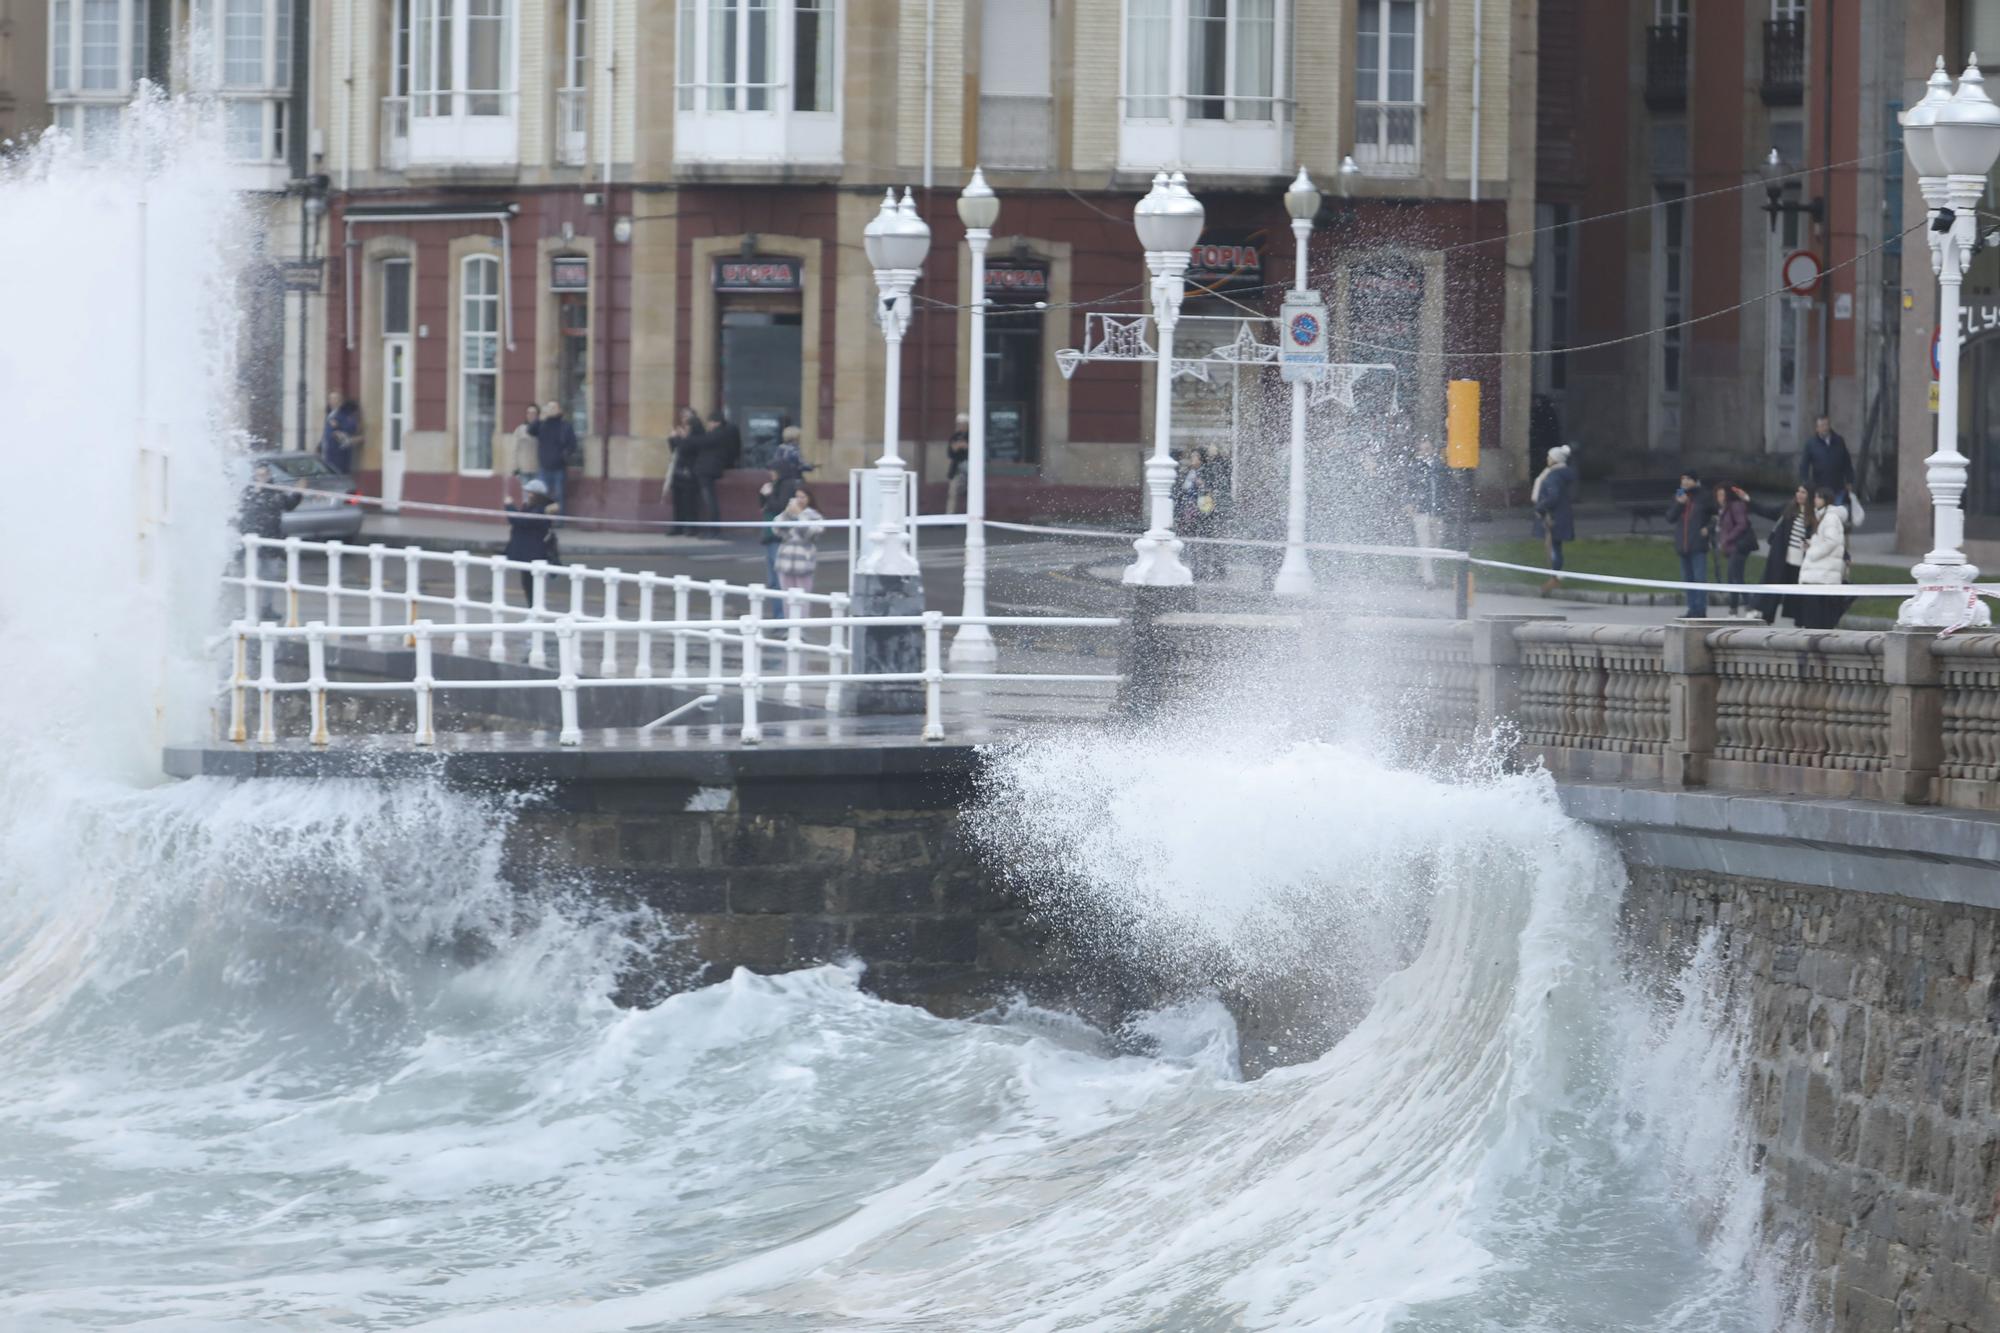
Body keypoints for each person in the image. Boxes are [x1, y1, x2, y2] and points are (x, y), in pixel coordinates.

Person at [237, 461, 304, 620]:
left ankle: (266, 608)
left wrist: (298, 492)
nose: (262, 478)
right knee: (252, 576)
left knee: (270, 576)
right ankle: (248, 608)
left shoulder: (275, 492)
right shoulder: (249, 491)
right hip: (252, 543)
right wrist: (256, 492)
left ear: (269, 475)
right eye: (259, 475)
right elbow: (244, 510)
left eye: (264, 475)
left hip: (271, 540)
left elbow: (289, 505)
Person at [1743, 483, 1812, 625]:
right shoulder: (1788, 508)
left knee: (1797, 595)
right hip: (1782, 558)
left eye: (1803, 492)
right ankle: (1766, 617)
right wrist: (1748, 500)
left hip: (1801, 563)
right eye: (1798, 491)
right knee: (1773, 586)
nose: (1799, 494)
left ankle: (1800, 623)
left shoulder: (1814, 515)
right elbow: (1766, 511)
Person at [757, 445, 808, 616]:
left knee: (779, 582)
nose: (771, 473)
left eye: (773, 470)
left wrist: (768, 495)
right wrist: (764, 495)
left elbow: (779, 507)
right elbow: (764, 506)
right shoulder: (777, 485)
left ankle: (781, 618)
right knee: (773, 582)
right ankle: (778, 617)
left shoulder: (786, 486)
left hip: (778, 538)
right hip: (770, 536)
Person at [1795, 487, 1852, 629]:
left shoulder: (1830, 518)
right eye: (1815, 497)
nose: (1815, 500)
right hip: (1819, 574)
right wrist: (1810, 543)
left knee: (1816, 618)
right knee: (1815, 617)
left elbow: (1831, 541)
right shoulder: (1822, 516)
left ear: (1826, 500)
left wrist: (1813, 553)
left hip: (1822, 574)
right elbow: (1825, 540)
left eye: (1818, 497)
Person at [503, 477, 561, 604]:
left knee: (533, 585)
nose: (527, 494)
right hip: (527, 552)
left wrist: (509, 507)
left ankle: (535, 613)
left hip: (533, 553)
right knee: (527, 584)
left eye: (530, 492)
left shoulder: (540, 509)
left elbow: (521, 521)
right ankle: (532, 613)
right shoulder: (531, 506)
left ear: (537, 494)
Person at [1666, 470, 1716, 617]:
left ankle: (1700, 610)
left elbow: (1717, 515)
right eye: (1683, 479)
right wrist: (1679, 504)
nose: (1685, 482)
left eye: (1688, 479)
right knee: (1687, 579)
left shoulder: (1704, 496)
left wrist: (1709, 528)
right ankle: (1691, 609)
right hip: (1683, 544)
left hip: (1698, 544)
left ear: (1695, 480)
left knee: (1699, 578)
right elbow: (1670, 517)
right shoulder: (1679, 496)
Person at [1530, 444, 1576, 591]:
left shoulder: (1553, 476)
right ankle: (1555, 576)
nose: (1547, 458)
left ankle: (1554, 578)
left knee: (1553, 548)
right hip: (1561, 515)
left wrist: (1540, 508)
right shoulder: (1561, 474)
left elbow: (1552, 496)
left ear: (1555, 459)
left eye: (1549, 456)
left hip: (1553, 517)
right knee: (1556, 547)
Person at [1713, 479, 1759, 615]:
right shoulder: (1724, 509)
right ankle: (1734, 609)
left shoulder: (1735, 505)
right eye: (1718, 495)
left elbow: (1742, 524)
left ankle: (1750, 607)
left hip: (1739, 546)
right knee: (1732, 577)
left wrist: (1727, 538)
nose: (1719, 498)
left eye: (1722, 495)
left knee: (1737, 577)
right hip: (1732, 548)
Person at [774, 487, 826, 607]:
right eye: (797, 497)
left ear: (809, 499)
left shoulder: (815, 516)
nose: (799, 500)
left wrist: (800, 515)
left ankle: (802, 624)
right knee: (787, 600)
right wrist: (786, 512)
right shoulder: (788, 514)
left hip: (804, 562)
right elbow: (776, 529)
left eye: (803, 497)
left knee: (803, 600)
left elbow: (810, 534)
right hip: (785, 561)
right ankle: (789, 624)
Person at [1408, 435, 1448, 589]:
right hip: (1421, 512)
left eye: (1428, 449)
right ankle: (1429, 579)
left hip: (1437, 511)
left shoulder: (1440, 466)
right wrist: (1408, 503)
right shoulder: (1415, 467)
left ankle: (1420, 570)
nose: (1425, 452)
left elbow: (1447, 486)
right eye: (1422, 449)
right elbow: (1408, 485)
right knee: (1425, 544)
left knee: (1436, 544)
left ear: (1433, 450)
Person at [1175, 447, 1221, 581]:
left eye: (1195, 457)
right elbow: (1183, 489)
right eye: (1192, 457)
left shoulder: (1206, 471)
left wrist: (1203, 485)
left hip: (1202, 509)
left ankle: (1206, 568)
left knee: (1203, 539)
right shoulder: (1189, 472)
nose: (1192, 459)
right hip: (1190, 509)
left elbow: (1211, 489)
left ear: (1201, 459)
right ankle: (1195, 567)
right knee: (1192, 540)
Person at [693, 410, 741, 526]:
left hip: (708, 469)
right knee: (709, 499)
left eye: (710, 422)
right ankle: (713, 527)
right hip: (710, 468)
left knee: (709, 499)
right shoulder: (723, 433)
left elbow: (700, 442)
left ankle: (713, 528)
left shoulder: (717, 434)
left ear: (716, 423)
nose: (708, 425)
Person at [663, 407, 704, 535]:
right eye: (683, 416)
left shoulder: (697, 432)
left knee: (689, 502)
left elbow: (686, 448)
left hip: (690, 471)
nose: (684, 420)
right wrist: (674, 439)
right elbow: (676, 450)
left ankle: (691, 528)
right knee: (678, 501)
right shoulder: (683, 433)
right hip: (679, 469)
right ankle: (677, 526)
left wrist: (677, 438)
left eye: (687, 416)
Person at [1799, 416, 1855, 504]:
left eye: (1826, 425)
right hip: (1820, 488)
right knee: (1822, 514)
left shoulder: (1839, 441)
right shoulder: (1811, 444)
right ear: (1817, 429)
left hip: (1837, 486)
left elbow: (1847, 462)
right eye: (1821, 426)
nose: (1824, 428)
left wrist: (1849, 481)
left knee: (1837, 513)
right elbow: (1804, 465)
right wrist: (1806, 483)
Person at [536, 400, 580, 511]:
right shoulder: (542, 424)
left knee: (559, 496)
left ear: (559, 410)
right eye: (549, 407)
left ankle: (559, 521)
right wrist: (541, 417)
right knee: (542, 496)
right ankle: (542, 520)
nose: (551, 409)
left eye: (554, 407)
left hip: (559, 468)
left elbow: (573, 444)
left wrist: (563, 456)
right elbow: (531, 430)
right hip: (544, 466)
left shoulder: (565, 426)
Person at [320, 394, 361, 475]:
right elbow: (326, 433)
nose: (333, 401)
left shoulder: (344, 414)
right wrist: (320, 445)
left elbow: (352, 427)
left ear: (340, 402)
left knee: (339, 476)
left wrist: (339, 426)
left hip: (339, 455)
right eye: (331, 399)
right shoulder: (330, 414)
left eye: (335, 399)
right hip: (328, 453)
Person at [945, 414, 971, 515]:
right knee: (952, 493)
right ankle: (949, 517)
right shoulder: (954, 437)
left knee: (970, 493)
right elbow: (950, 453)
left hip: (969, 468)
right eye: (959, 424)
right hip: (956, 468)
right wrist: (957, 447)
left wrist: (966, 446)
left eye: (963, 424)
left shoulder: (972, 435)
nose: (960, 426)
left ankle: (970, 515)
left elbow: (976, 452)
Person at [512, 403, 542, 479]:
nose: (531, 415)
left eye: (533, 413)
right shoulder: (520, 429)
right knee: (526, 491)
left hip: (538, 469)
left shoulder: (542, 429)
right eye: (529, 413)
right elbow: (515, 449)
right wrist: (515, 468)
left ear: (538, 415)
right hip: (524, 469)